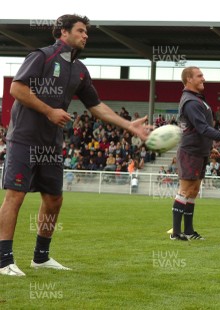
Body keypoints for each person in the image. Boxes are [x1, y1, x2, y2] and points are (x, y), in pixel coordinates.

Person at [0, 14, 150, 277]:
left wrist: (129, 126)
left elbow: (97, 107)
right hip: (24, 138)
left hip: (51, 144)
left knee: (54, 199)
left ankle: (41, 257)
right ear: (63, 32)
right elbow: (17, 89)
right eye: (80, 31)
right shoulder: (42, 56)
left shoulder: (79, 69)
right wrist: (49, 111)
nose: (85, 35)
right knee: (15, 196)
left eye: (87, 32)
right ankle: (3, 261)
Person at [169, 66, 220, 241]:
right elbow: (202, 128)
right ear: (189, 79)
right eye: (199, 76)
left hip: (199, 151)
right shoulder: (191, 101)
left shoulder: (196, 99)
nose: (204, 79)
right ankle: (176, 233)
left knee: (194, 191)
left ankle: (188, 231)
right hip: (191, 151)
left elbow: (199, 128)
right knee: (185, 190)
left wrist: (209, 148)